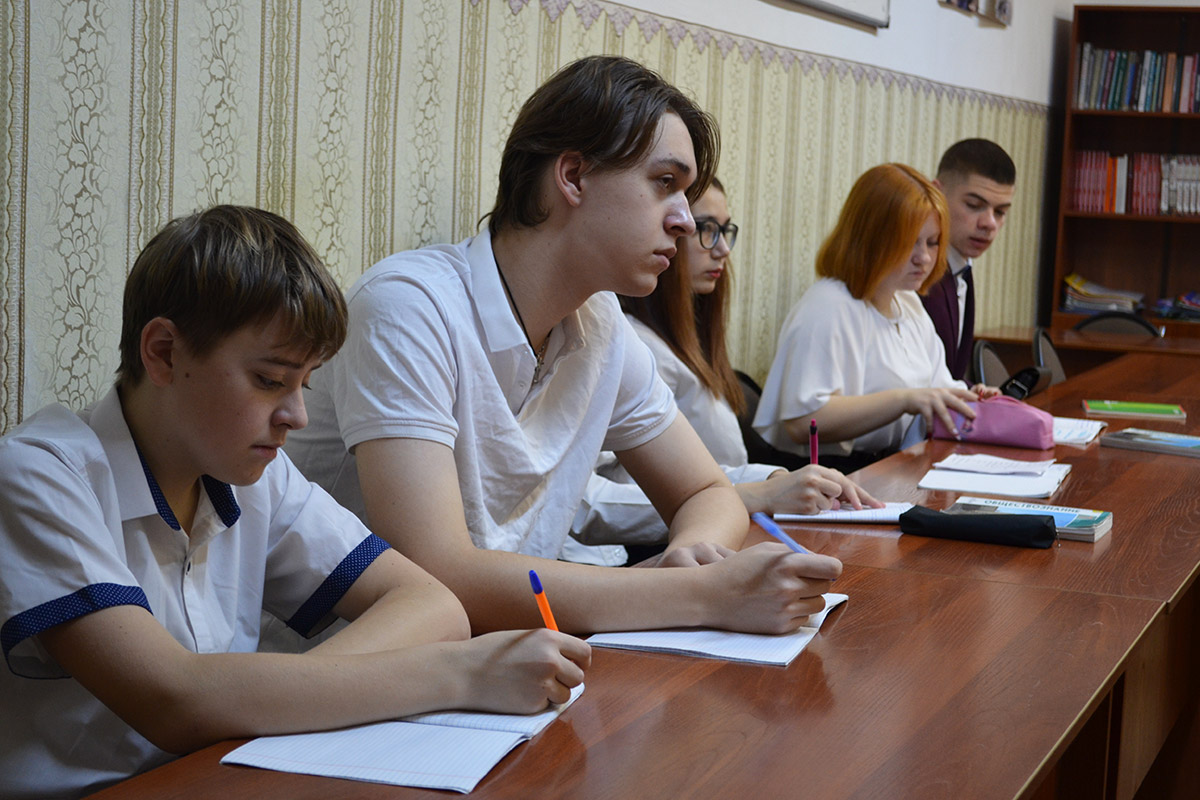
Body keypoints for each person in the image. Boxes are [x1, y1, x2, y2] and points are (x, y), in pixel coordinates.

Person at [0, 206, 589, 799]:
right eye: (269, 380)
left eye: (304, 383)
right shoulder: (39, 475)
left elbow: (432, 604)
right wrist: (461, 673)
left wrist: (276, 693)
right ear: (164, 352)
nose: (297, 416)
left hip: (225, 779)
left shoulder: (255, 475)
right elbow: (174, 699)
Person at [285, 55, 843, 636]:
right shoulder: (409, 306)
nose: (683, 221)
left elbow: (706, 491)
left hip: (521, 659)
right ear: (573, 176)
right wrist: (695, 594)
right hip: (355, 671)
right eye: (665, 184)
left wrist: (692, 556)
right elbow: (435, 574)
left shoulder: (600, 324)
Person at [567, 178, 880, 563]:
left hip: (702, 529)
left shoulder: (671, 341)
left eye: (725, 229)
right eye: (706, 229)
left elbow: (703, 478)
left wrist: (773, 480)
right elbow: (592, 500)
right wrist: (759, 492)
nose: (723, 249)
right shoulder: (634, 344)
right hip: (628, 553)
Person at [753, 163, 999, 472]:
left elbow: (935, 391)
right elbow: (803, 422)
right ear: (870, 237)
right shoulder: (828, 305)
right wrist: (903, 400)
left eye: (932, 242)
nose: (924, 257)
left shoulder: (908, 303)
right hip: (834, 475)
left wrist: (969, 398)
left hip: (894, 467)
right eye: (910, 242)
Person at [921, 139, 1016, 381]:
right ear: (937, 194)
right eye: (974, 205)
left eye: (1000, 212)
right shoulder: (915, 272)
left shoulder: (961, 267)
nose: (989, 223)